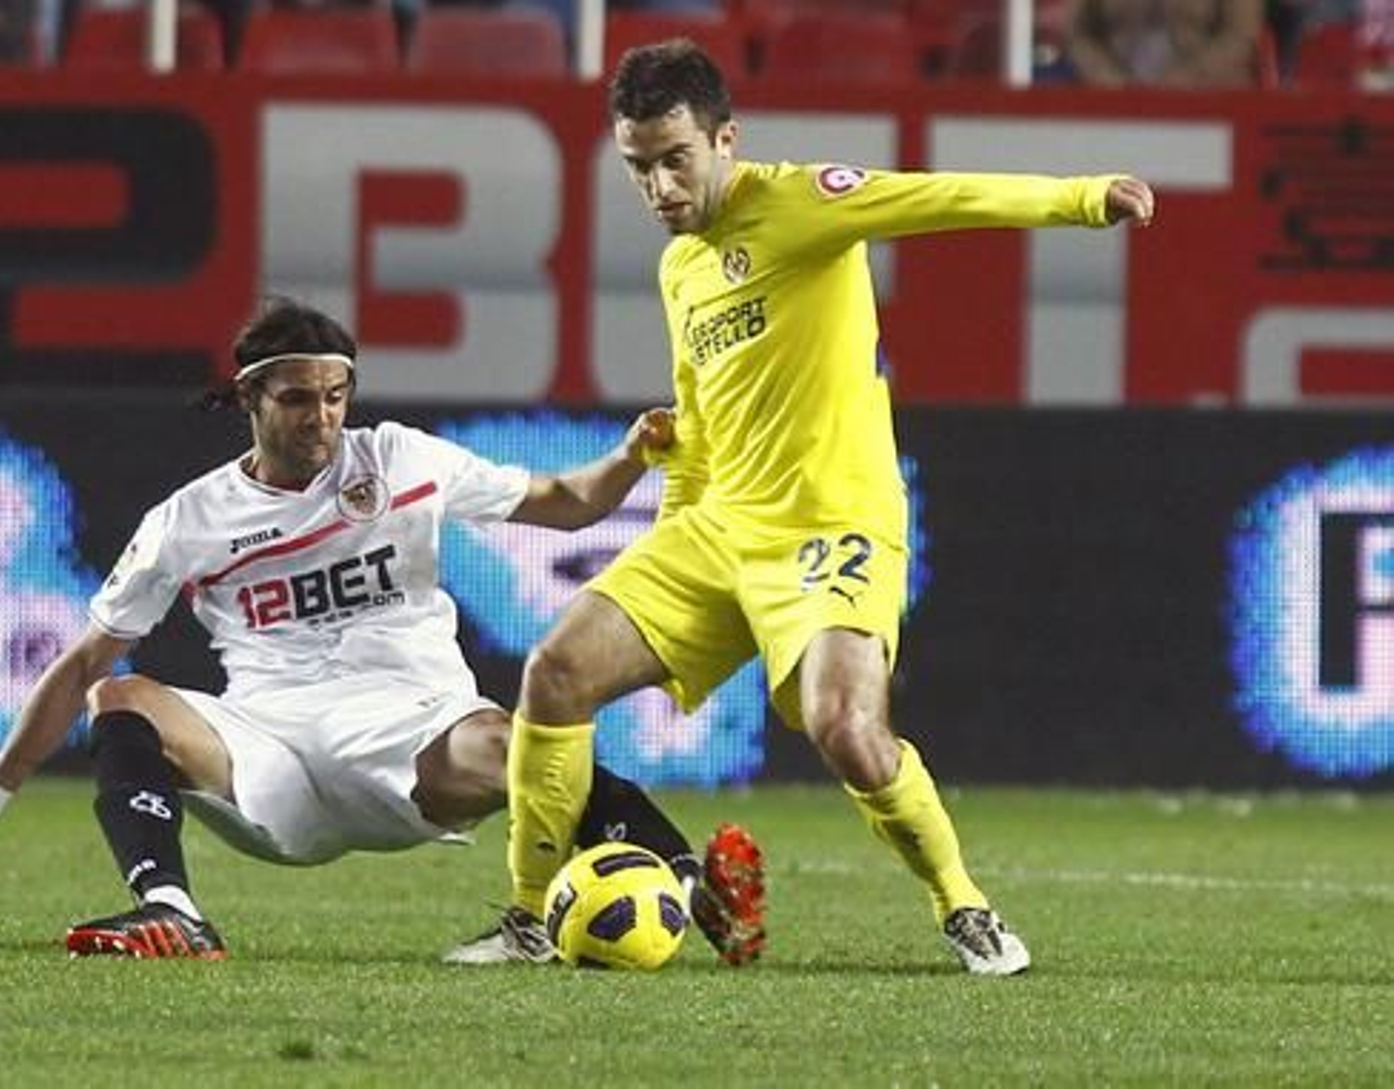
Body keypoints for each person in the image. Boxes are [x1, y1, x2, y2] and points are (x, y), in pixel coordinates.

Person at [455, 39, 1156, 975]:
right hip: (716, 531)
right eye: (638, 167)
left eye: (676, 159)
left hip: (835, 527)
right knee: (556, 671)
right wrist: (671, 552)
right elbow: (700, 414)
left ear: (725, 140)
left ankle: (964, 906)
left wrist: (1079, 198)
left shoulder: (799, 203)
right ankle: (528, 915)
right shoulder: (681, 271)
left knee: (847, 730)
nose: (659, 186)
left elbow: (936, 198)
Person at [0, 295, 764, 965]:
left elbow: (566, 507)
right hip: (272, 745)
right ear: (251, 398)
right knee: (123, 695)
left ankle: (679, 881)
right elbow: (78, 666)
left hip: (417, 729)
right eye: (299, 398)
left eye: (336, 395)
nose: (323, 417)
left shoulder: (401, 460)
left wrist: (630, 456)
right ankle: (175, 913)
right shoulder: (191, 517)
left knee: (521, 737)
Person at [1065, 0, 1265, 87]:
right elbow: (1078, 34)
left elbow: (1241, 35)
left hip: (1211, 100)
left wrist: (1191, 77)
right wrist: (1105, 75)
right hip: (1113, 100)